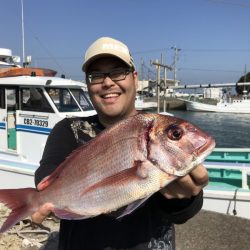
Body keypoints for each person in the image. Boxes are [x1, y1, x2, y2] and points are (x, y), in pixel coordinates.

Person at [32, 37, 209, 250]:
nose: (107, 82)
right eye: (96, 76)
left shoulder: (157, 124)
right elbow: (48, 170)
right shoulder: (67, 130)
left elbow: (184, 213)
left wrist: (186, 198)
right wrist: (45, 193)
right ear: (88, 85)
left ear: (135, 78)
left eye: (118, 72)